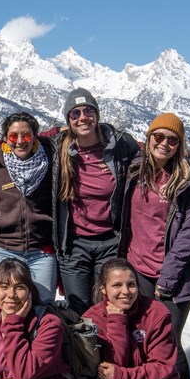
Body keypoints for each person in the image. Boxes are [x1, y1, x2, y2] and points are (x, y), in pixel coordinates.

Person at [116, 113, 190, 379]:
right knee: (138, 340)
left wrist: (166, 281)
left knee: (167, 339)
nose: (164, 144)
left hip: (175, 277)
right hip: (137, 270)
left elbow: (189, 236)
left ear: (180, 144)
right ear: (149, 139)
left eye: (172, 140)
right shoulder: (135, 172)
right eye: (159, 137)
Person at [51, 88, 139, 314]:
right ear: (68, 120)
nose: (83, 117)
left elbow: (148, 164)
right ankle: (82, 350)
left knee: (108, 305)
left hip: (110, 242)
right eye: (75, 113)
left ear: (98, 114)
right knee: (78, 308)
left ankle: (110, 349)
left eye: (89, 110)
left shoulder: (120, 146)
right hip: (74, 243)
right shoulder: (58, 148)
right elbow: (29, 142)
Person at [0, 112, 57, 303]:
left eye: (26, 135)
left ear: (35, 137)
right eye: (14, 136)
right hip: (5, 249)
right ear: (6, 139)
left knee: (43, 306)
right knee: (7, 305)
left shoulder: (50, 162)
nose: (20, 141)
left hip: (41, 251)